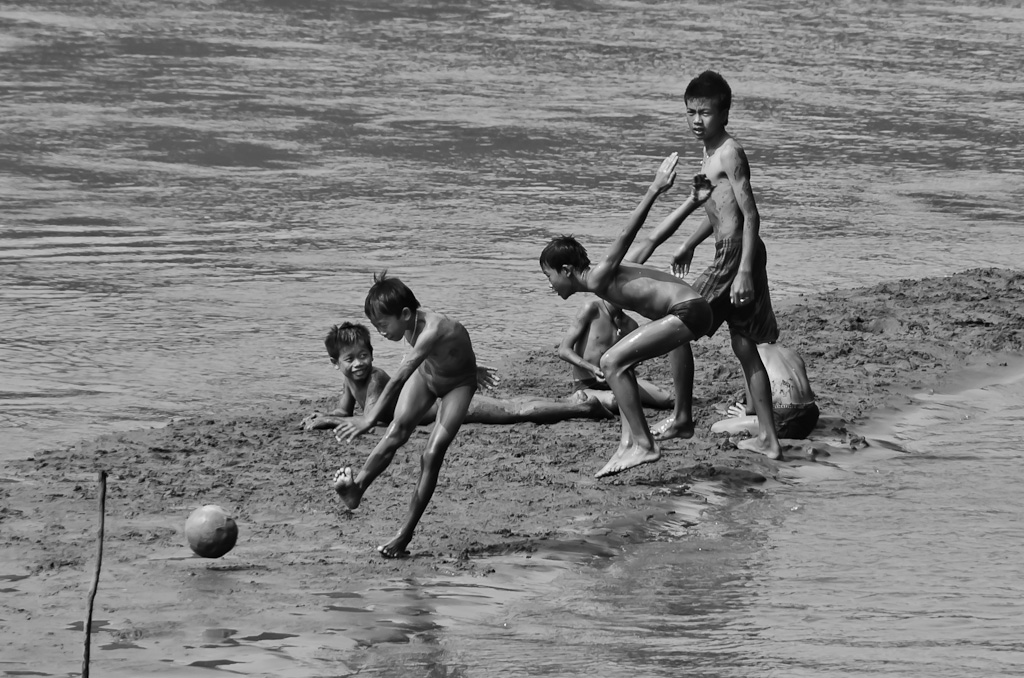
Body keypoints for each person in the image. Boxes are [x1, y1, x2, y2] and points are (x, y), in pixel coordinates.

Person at [626, 70, 784, 459]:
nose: (697, 120)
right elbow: (716, 209)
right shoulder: (708, 153)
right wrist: (688, 244)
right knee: (744, 345)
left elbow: (750, 214)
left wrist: (744, 268)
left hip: (736, 254)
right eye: (690, 112)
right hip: (729, 249)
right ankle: (770, 439)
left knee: (677, 319)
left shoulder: (730, 152)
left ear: (725, 113)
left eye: (706, 113)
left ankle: (682, 417)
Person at [539, 153, 714, 478]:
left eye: (549, 276)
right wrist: (691, 202)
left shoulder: (599, 277)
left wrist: (655, 188)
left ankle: (643, 443)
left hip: (689, 310)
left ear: (566, 270)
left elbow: (628, 233)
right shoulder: (614, 277)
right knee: (639, 357)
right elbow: (653, 238)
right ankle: (680, 420)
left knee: (610, 361)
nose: (551, 286)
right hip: (692, 309)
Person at [331, 272, 480, 558]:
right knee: (396, 431)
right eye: (376, 326)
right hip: (429, 375)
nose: (381, 333)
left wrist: (369, 418)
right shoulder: (410, 322)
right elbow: (434, 356)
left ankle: (405, 534)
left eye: (383, 325)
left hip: (458, 384)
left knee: (431, 454)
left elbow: (400, 375)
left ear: (405, 313)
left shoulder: (435, 328)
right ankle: (357, 489)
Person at [302, 321, 610, 431]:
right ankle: (575, 402)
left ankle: (578, 405)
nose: (358, 364)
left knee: (512, 410)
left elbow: (369, 421)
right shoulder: (350, 381)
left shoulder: (375, 379)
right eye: (350, 360)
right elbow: (344, 411)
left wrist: (331, 423)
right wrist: (327, 416)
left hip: (444, 406)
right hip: (435, 409)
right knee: (509, 408)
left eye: (363, 356)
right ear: (335, 363)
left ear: (372, 353)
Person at [557, 298, 673, 414]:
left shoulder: (630, 325)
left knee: (668, 399)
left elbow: (630, 360)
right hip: (587, 385)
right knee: (616, 401)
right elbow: (563, 350)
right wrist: (592, 368)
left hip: (617, 380)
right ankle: (578, 398)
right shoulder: (592, 309)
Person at [710, 343, 819, 439]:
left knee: (716, 428)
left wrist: (745, 414)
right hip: (810, 417)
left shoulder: (751, 354)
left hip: (782, 419)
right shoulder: (791, 352)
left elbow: (752, 409)